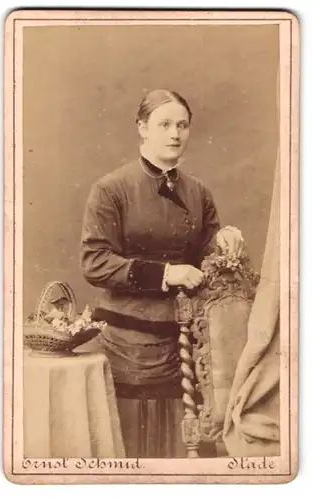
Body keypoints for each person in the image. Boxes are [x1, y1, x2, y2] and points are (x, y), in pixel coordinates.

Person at [80, 89, 243, 458]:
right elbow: (95, 261)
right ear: (142, 128)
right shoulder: (111, 189)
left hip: (186, 342)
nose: (175, 134)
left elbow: (206, 256)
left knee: (188, 447)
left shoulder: (198, 192)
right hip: (129, 343)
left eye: (182, 125)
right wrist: (167, 274)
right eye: (164, 124)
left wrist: (225, 243)